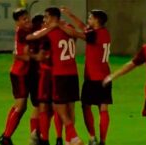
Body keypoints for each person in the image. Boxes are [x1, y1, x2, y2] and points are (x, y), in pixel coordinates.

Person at [28, 7, 84, 145]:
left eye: (46, 17)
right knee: (70, 107)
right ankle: (68, 140)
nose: (45, 20)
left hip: (59, 74)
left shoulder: (49, 32)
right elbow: (80, 35)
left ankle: (74, 137)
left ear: (53, 18)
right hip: (73, 73)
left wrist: (50, 28)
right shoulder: (69, 27)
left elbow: (31, 37)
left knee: (58, 107)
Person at [60, 7, 112, 145]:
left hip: (93, 78)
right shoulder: (104, 32)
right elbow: (83, 27)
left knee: (86, 106)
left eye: (90, 18)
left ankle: (93, 137)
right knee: (103, 108)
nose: (88, 20)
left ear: (97, 20)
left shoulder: (94, 35)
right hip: (106, 76)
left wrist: (59, 25)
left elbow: (77, 34)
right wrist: (70, 14)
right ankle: (103, 141)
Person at [0, 8, 37, 145]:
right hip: (19, 73)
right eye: (23, 19)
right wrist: (35, 57)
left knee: (19, 106)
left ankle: (6, 134)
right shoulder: (22, 32)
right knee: (21, 107)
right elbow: (22, 56)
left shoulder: (24, 30)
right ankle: (6, 138)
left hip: (22, 72)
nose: (27, 21)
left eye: (27, 18)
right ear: (17, 23)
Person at [27, 14, 64, 145]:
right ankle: (40, 136)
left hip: (38, 76)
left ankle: (38, 136)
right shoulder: (45, 38)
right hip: (42, 77)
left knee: (41, 107)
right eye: (44, 21)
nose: (46, 23)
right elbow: (41, 57)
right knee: (46, 107)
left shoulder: (36, 38)